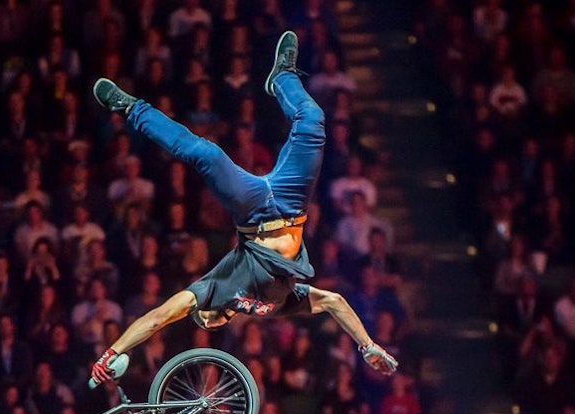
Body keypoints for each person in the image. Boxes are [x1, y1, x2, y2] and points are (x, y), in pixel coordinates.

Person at [89, 32, 397, 386]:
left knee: (205, 153)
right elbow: (333, 301)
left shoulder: (212, 289)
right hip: (293, 205)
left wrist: (111, 352)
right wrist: (367, 345)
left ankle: (131, 107)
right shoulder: (271, 306)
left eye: (202, 317)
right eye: (208, 323)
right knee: (313, 119)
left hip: (253, 211)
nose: (207, 320)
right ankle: (284, 77)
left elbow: (157, 317)